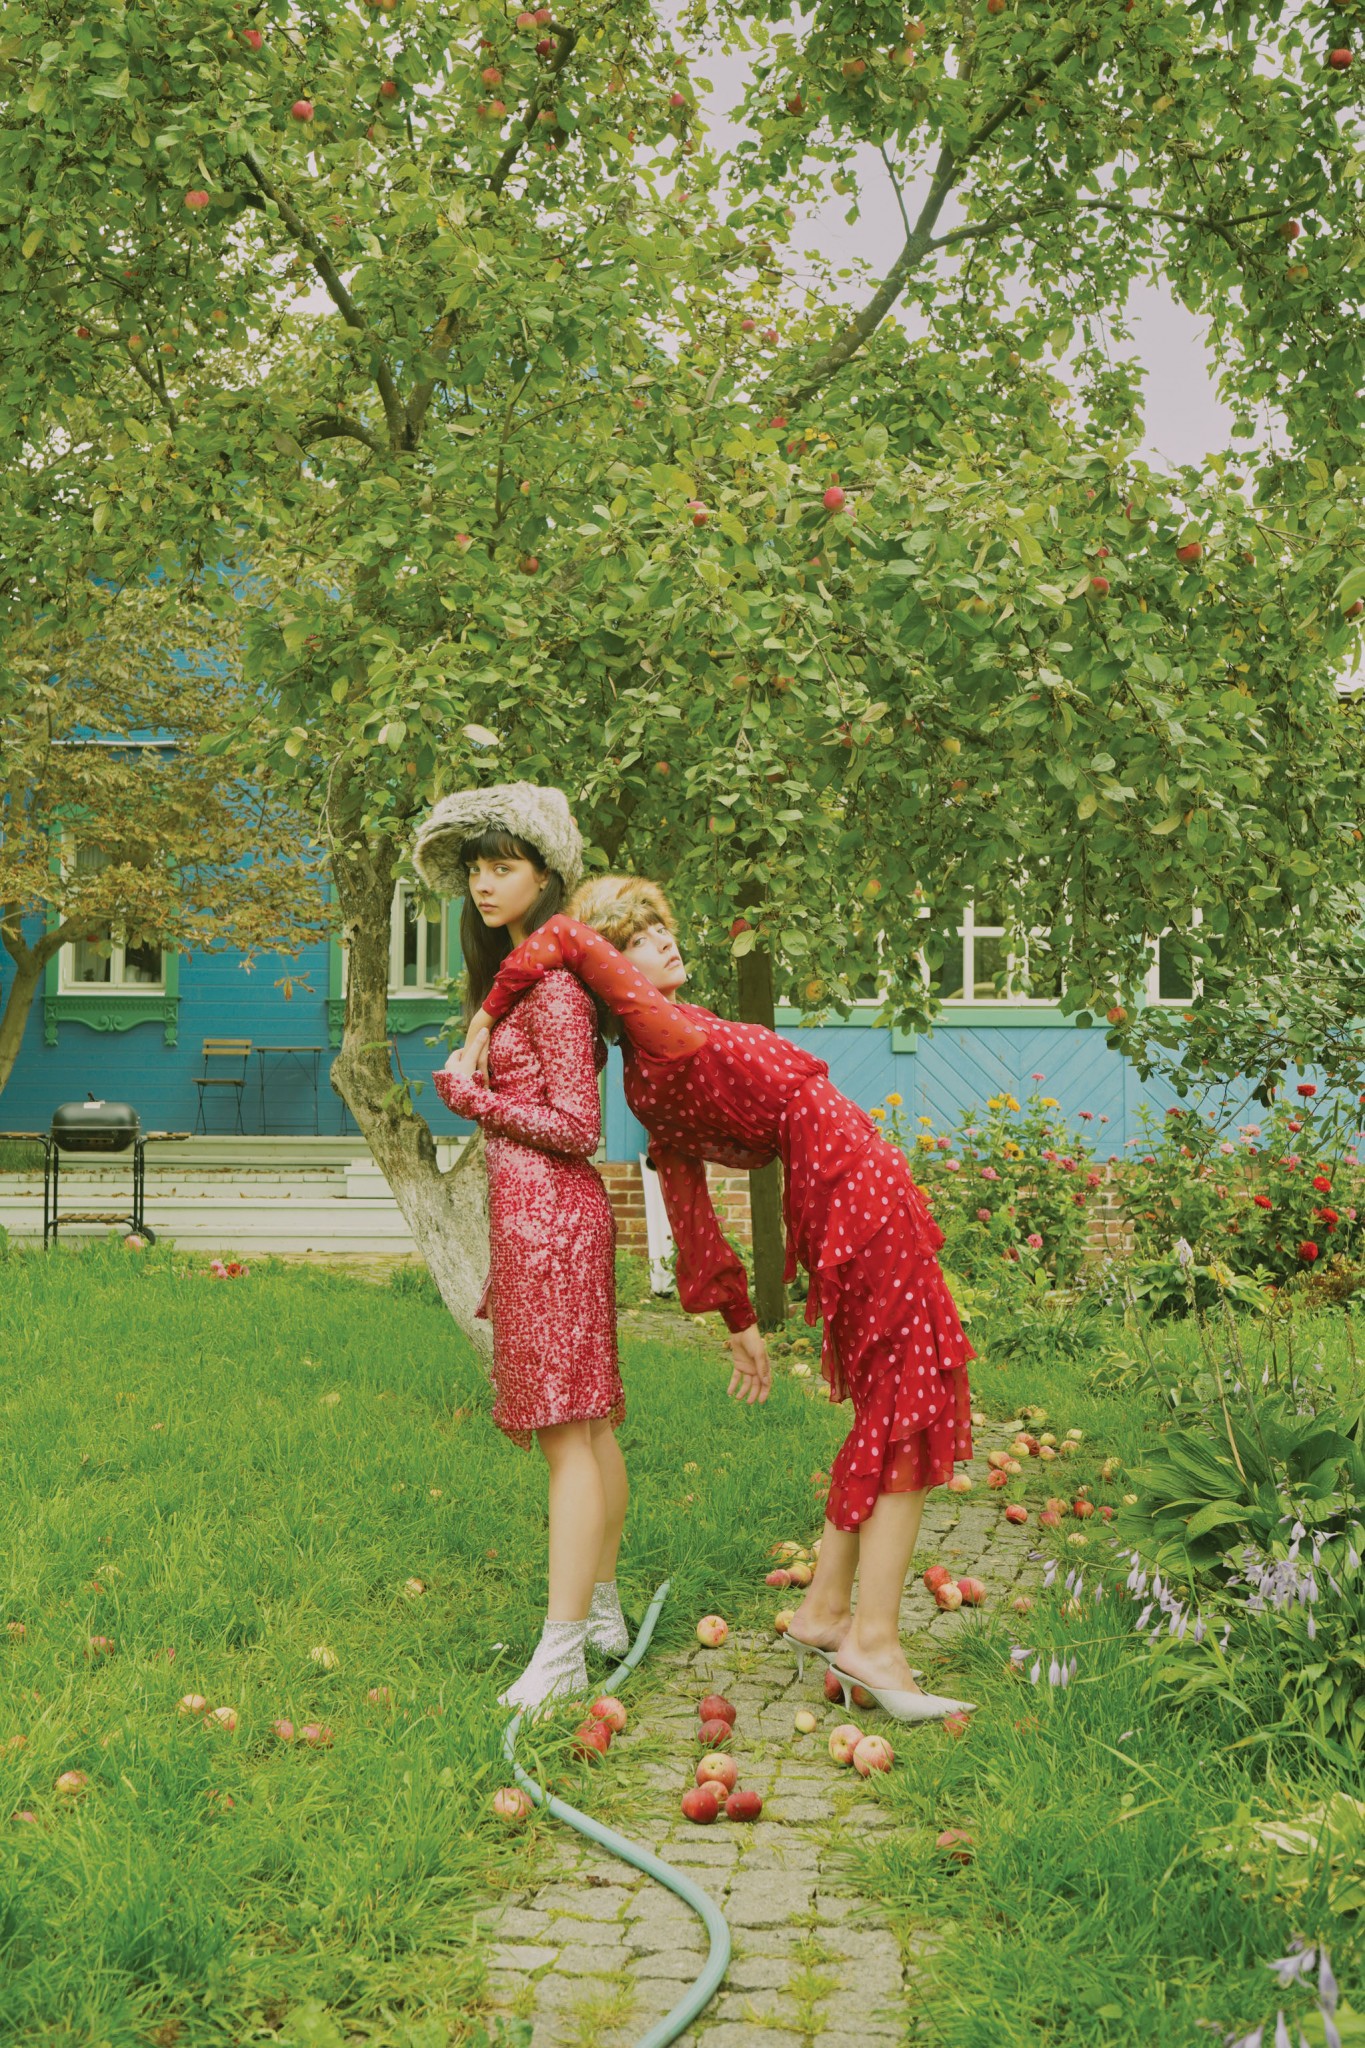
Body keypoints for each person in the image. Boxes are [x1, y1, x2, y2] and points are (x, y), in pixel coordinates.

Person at [463, 877, 978, 1723]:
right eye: (636, 938)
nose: (663, 941)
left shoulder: (654, 1067)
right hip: (852, 1193)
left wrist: (738, 1320)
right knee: (909, 1396)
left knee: (895, 1394)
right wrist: (486, 1018)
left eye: (660, 926)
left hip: (842, 1191)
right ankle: (873, 1643)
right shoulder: (658, 1037)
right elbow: (564, 936)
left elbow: (689, 1208)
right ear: (610, 974)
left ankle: (826, 1612)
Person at [412, 786, 629, 1716]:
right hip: (536, 1219)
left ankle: (562, 1649)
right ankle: (601, 1614)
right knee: (586, 1428)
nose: (484, 883)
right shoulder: (519, 980)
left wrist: (470, 1097)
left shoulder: (553, 989)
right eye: (475, 868)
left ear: (546, 878)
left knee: (568, 1434)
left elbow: (579, 1127)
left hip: (553, 1224)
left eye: (503, 867)